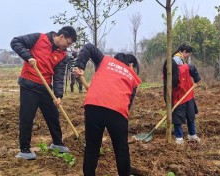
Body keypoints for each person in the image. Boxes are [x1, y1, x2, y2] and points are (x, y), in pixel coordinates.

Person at [73, 43, 141, 176]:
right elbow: (128, 104)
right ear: (132, 65)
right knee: (121, 149)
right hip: (117, 110)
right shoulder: (132, 76)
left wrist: (80, 65)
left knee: (92, 148)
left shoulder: (105, 60)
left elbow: (89, 47)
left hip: (93, 105)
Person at [10, 26, 77, 160]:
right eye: (68, 43)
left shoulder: (62, 55)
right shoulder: (39, 38)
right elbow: (15, 42)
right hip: (29, 84)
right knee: (27, 117)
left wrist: (58, 95)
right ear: (62, 36)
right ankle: (25, 149)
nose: (67, 47)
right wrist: (28, 56)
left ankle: (57, 143)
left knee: (53, 115)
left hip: (45, 87)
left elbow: (58, 76)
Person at [163, 44, 201, 145]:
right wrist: (168, 101)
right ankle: (179, 137)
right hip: (177, 98)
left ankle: (192, 134)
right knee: (177, 118)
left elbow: (192, 68)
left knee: (190, 115)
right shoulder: (168, 73)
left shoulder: (183, 67)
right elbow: (166, 88)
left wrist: (197, 79)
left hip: (187, 95)